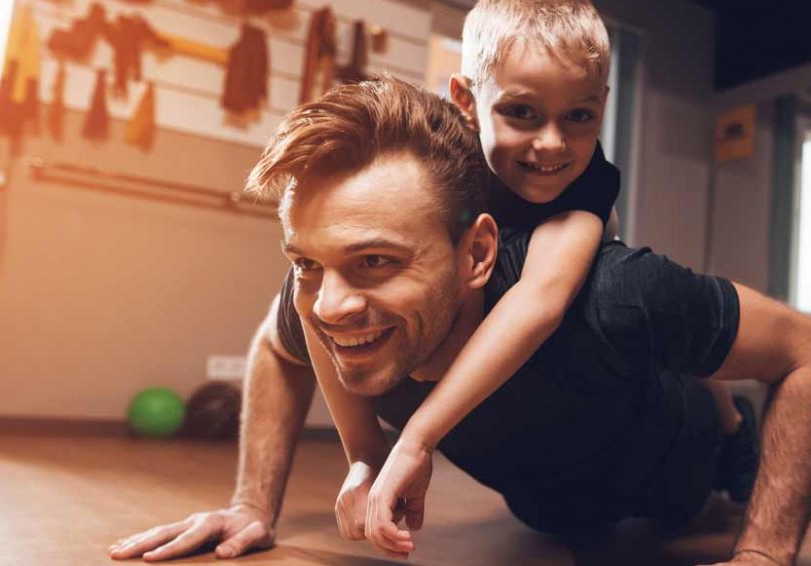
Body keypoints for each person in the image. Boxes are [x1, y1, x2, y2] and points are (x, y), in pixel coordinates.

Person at [109, 75, 811, 566]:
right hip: (553, 508)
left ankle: (733, 435)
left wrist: (761, 554)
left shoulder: (614, 295)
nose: (329, 304)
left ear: (478, 254)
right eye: (307, 262)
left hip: (678, 475)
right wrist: (251, 504)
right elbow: (277, 346)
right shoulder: (324, 303)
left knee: (695, 486)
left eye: (374, 262)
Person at [321, 3, 756, 555]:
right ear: (465, 102)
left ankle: (735, 423)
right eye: (523, 112)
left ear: (602, 107)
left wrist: (417, 438)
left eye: (578, 116)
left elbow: (540, 299)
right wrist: (365, 453)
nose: (552, 144)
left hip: (573, 260)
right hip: (504, 257)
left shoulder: (585, 184)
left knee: (662, 336)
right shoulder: (442, 158)